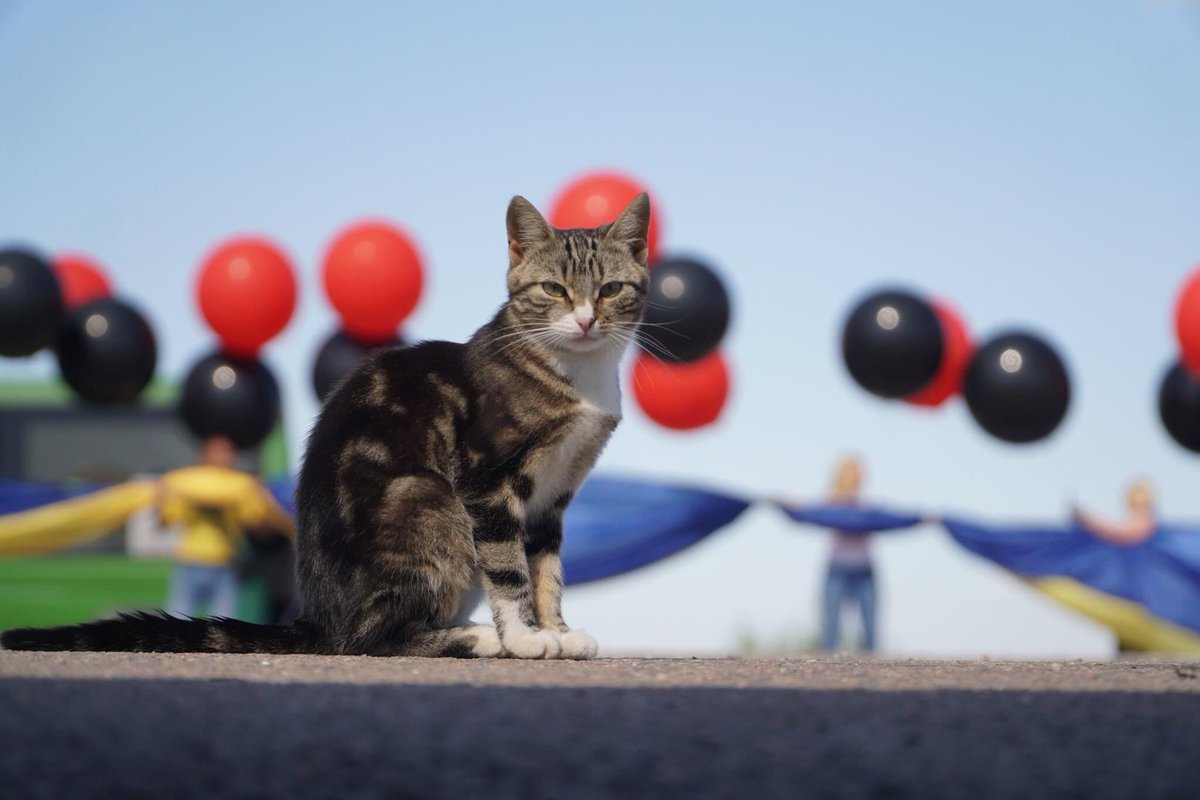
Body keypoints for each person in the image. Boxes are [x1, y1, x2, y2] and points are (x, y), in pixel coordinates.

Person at [159, 436, 291, 618]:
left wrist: (264, 500)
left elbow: (255, 524)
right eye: (221, 452)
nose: (227, 458)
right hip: (191, 560)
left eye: (230, 453)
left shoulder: (241, 487)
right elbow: (166, 521)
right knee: (177, 620)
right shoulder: (187, 483)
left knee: (223, 621)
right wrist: (163, 498)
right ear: (205, 456)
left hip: (225, 563)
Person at [821, 456, 877, 653]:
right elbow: (808, 513)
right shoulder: (829, 505)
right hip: (838, 568)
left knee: (870, 631)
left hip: (864, 569)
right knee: (831, 629)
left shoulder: (866, 506)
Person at [1072, 479, 1158, 546]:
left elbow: (1122, 533)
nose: (1126, 499)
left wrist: (1087, 519)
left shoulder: (1143, 519)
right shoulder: (1146, 518)